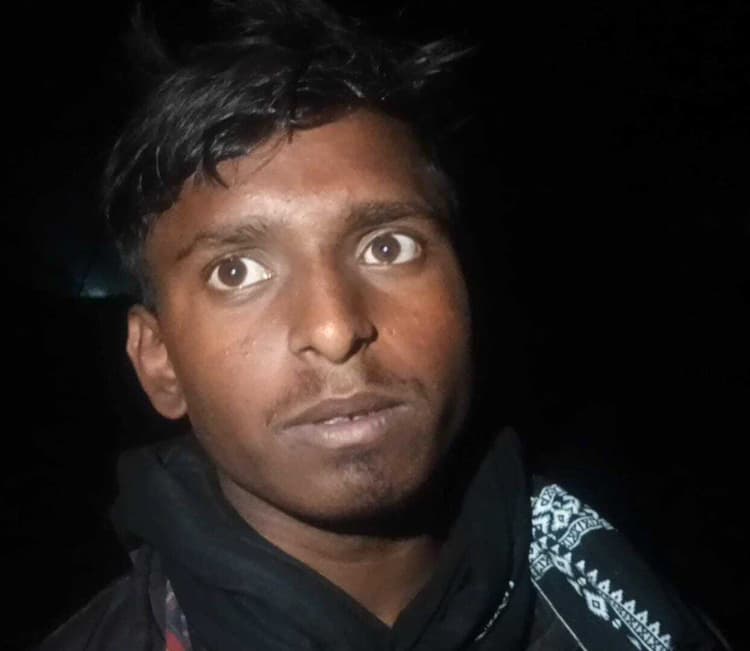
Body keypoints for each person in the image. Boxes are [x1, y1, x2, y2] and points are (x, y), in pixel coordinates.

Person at [39, 1, 724, 649]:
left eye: (388, 247)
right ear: (158, 359)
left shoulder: (626, 596)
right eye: (237, 271)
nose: (335, 328)